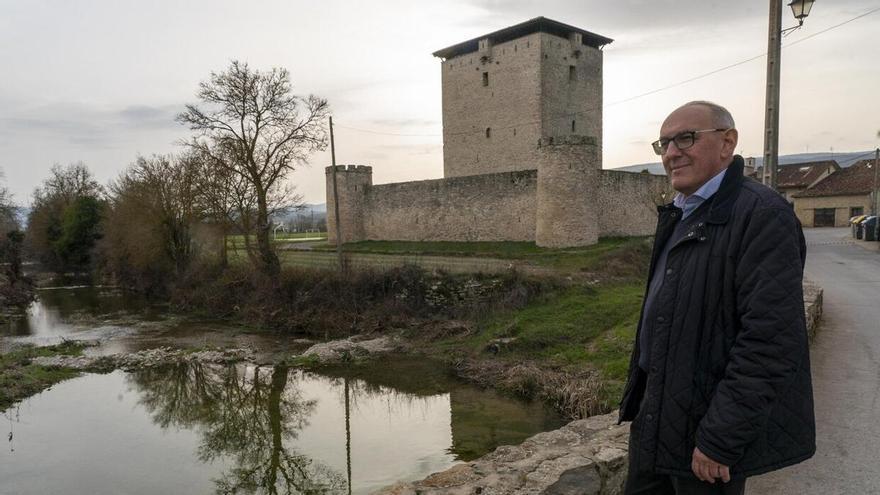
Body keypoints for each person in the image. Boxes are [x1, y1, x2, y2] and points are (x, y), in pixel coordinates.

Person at [618, 101, 816, 494]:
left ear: (727, 143)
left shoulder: (761, 215)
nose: (672, 153)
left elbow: (770, 342)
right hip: (656, 420)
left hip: (705, 435)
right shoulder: (683, 213)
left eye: (686, 138)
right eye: (664, 144)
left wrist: (720, 438)